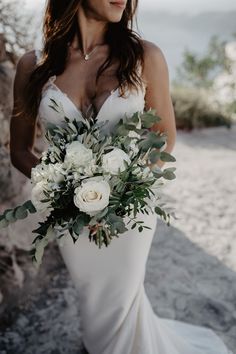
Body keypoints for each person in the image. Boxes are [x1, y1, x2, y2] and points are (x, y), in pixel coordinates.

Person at [9, 1, 232, 353]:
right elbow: (20, 150)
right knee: (94, 303)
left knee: (121, 301)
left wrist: (125, 187)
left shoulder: (145, 56)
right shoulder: (32, 65)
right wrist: (63, 188)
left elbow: (165, 138)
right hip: (70, 217)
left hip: (129, 213)